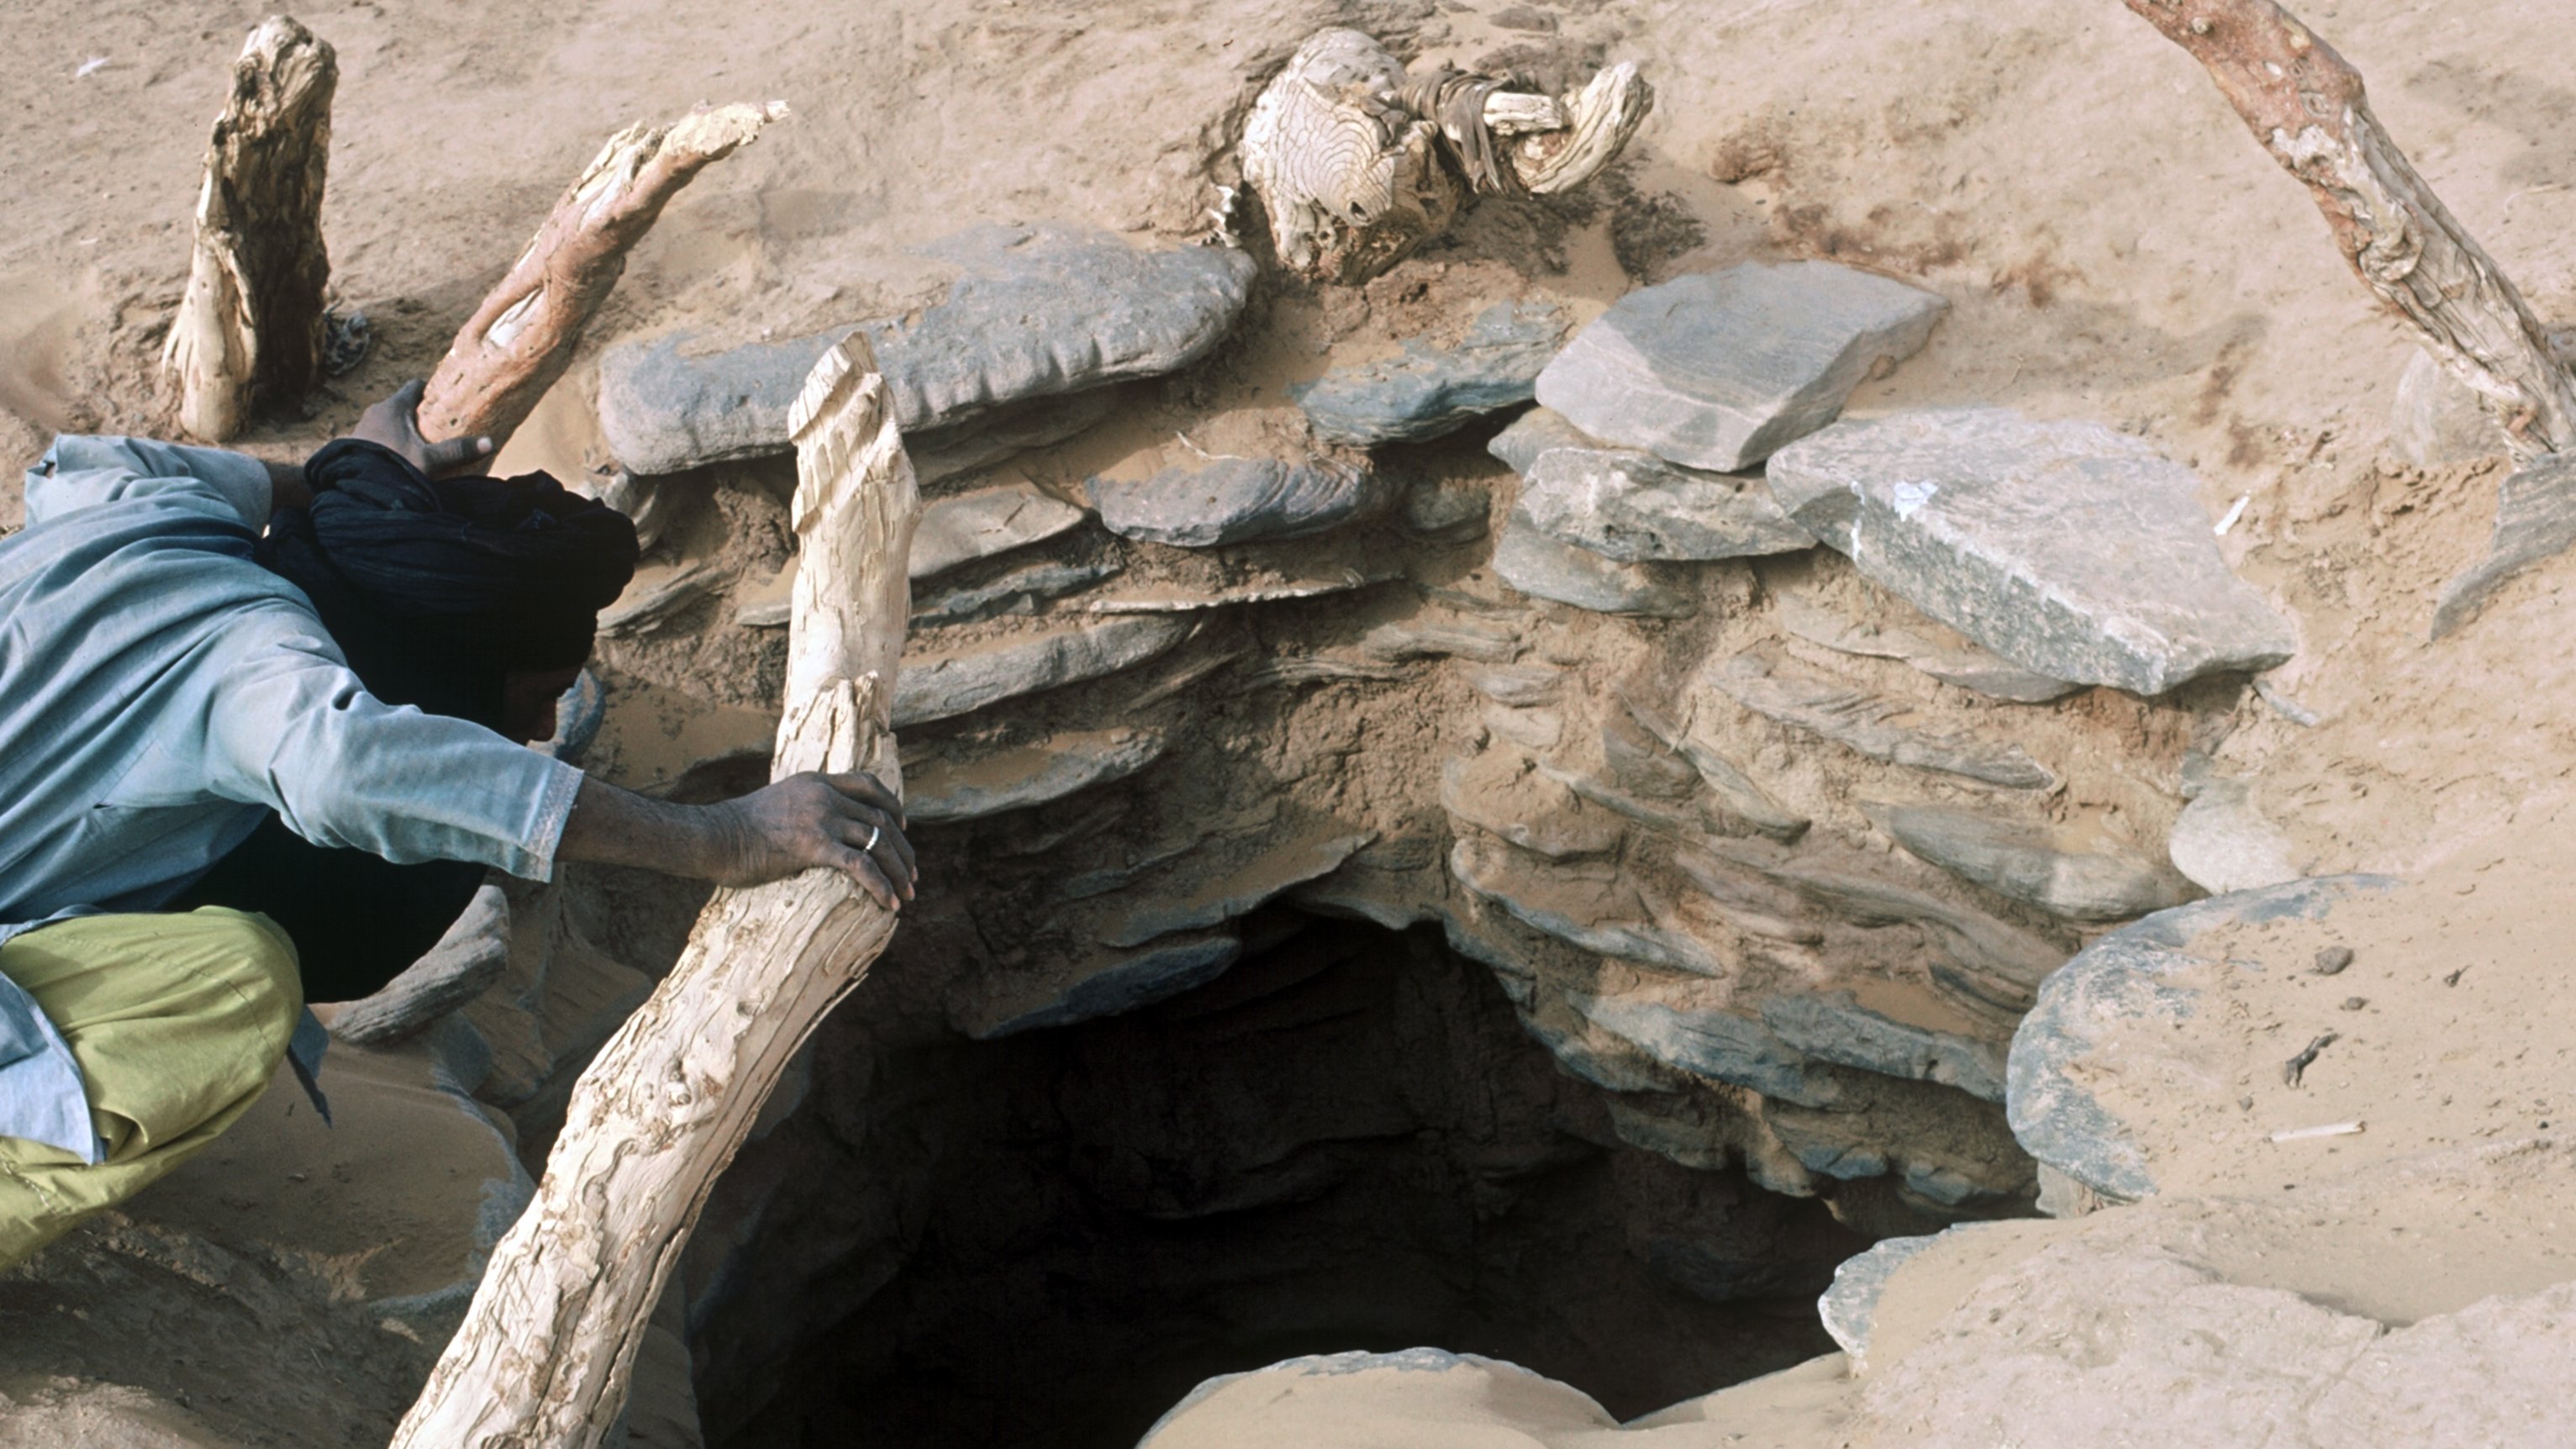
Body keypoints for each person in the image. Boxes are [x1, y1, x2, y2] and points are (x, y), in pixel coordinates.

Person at [0, 382, 917, 1271]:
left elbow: (84, 464)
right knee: (236, 985)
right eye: (539, 696)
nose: (541, 731)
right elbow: (350, 765)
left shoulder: (151, 511)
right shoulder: (257, 670)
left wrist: (352, 478)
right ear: (454, 663)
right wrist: (723, 839)